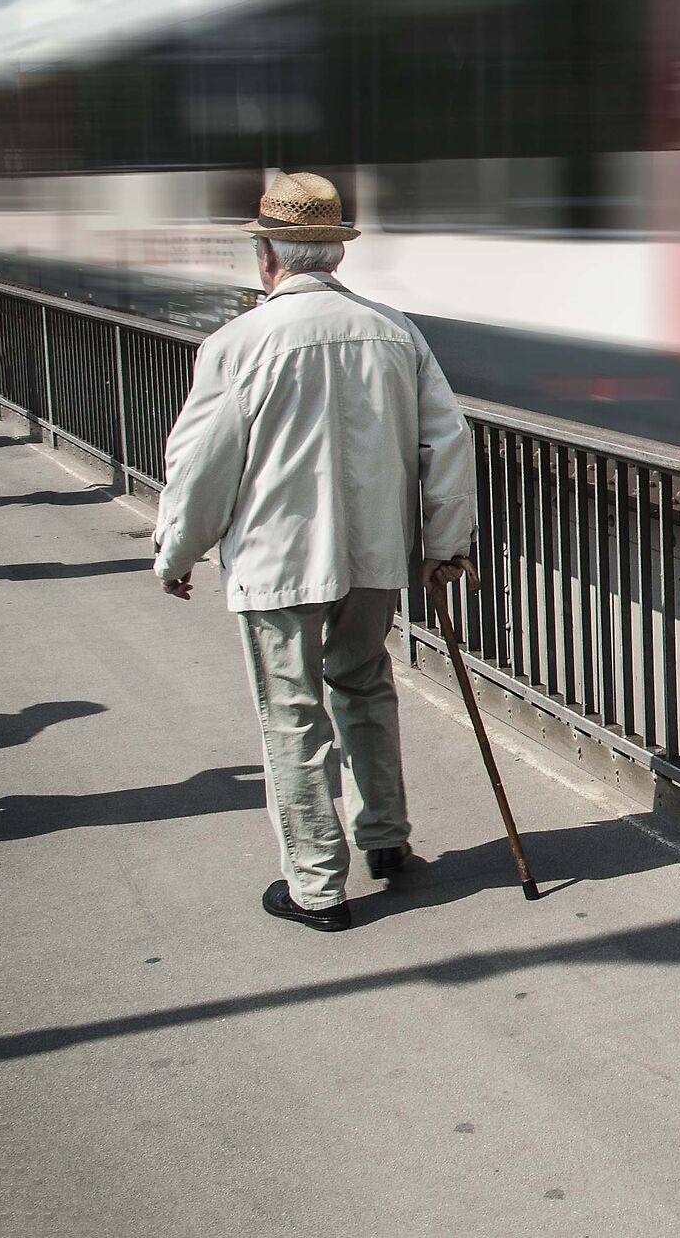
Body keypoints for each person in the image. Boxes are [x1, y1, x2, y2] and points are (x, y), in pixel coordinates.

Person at [153, 170, 476, 932]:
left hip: (278, 562)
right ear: (335, 256)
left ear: (267, 256)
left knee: (293, 714)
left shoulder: (238, 345)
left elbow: (202, 465)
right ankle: (387, 841)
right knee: (365, 686)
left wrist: (177, 551)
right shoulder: (396, 332)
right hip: (375, 556)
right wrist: (444, 545)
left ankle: (316, 886)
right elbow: (448, 443)